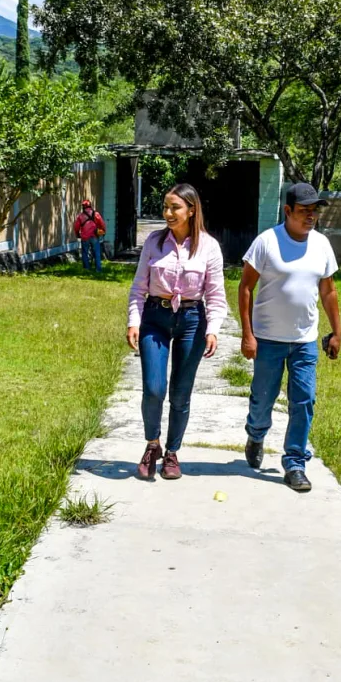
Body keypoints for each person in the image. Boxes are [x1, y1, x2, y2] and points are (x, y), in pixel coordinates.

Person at [238, 182, 341, 493]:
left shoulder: (321, 245)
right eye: (304, 211)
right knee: (263, 399)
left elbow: (329, 290)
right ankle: (256, 434)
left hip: (304, 340)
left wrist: (337, 331)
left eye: (314, 212)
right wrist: (247, 334)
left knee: (304, 400)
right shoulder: (266, 242)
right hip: (268, 339)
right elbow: (245, 288)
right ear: (287, 210)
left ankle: (295, 462)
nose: (310, 217)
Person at [127, 183, 227, 480]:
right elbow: (138, 287)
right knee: (154, 388)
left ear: (191, 210)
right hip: (155, 318)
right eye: (166, 207)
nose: (168, 213)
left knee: (180, 394)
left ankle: (172, 452)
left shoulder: (209, 246)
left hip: (192, 320)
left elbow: (216, 295)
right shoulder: (154, 242)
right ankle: (152, 444)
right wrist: (134, 320)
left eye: (175, 208)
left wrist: (213, 329)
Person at [74, 199, 106, 273]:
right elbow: (102, 224)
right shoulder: (96, 214)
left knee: (85, 252)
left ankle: (86, 269)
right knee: (97, 253)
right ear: (90, 205)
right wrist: (103, 231)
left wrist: (77, 234)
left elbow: (76, 227)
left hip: (85, 237)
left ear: (83, 207)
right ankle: (98, 269)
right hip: (94, 236)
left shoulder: (80, 216)